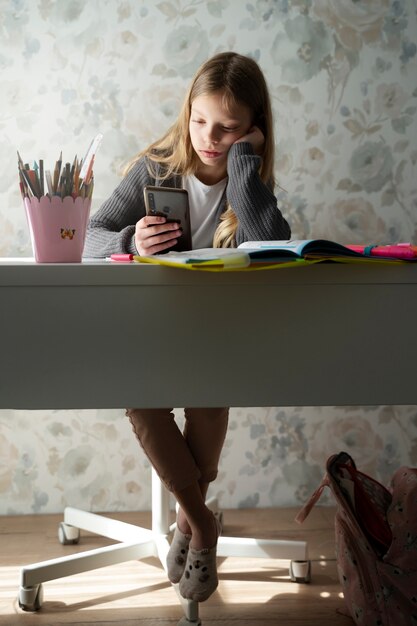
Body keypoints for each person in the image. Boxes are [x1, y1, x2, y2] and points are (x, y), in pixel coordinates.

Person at [84, 51, 291, 602]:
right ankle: (201, 523)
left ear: (254, 132)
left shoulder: (247, 183)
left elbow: (271, 244)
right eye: (199, 121)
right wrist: (129, 242)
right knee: (142, 397)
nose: (208, 137)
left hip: (216, 335)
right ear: (187, 113)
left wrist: (244, 170)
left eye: (228, 129)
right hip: (149, 329)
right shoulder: (157, 164)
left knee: (208, 395)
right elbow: (89, 234)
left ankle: (187, 521)